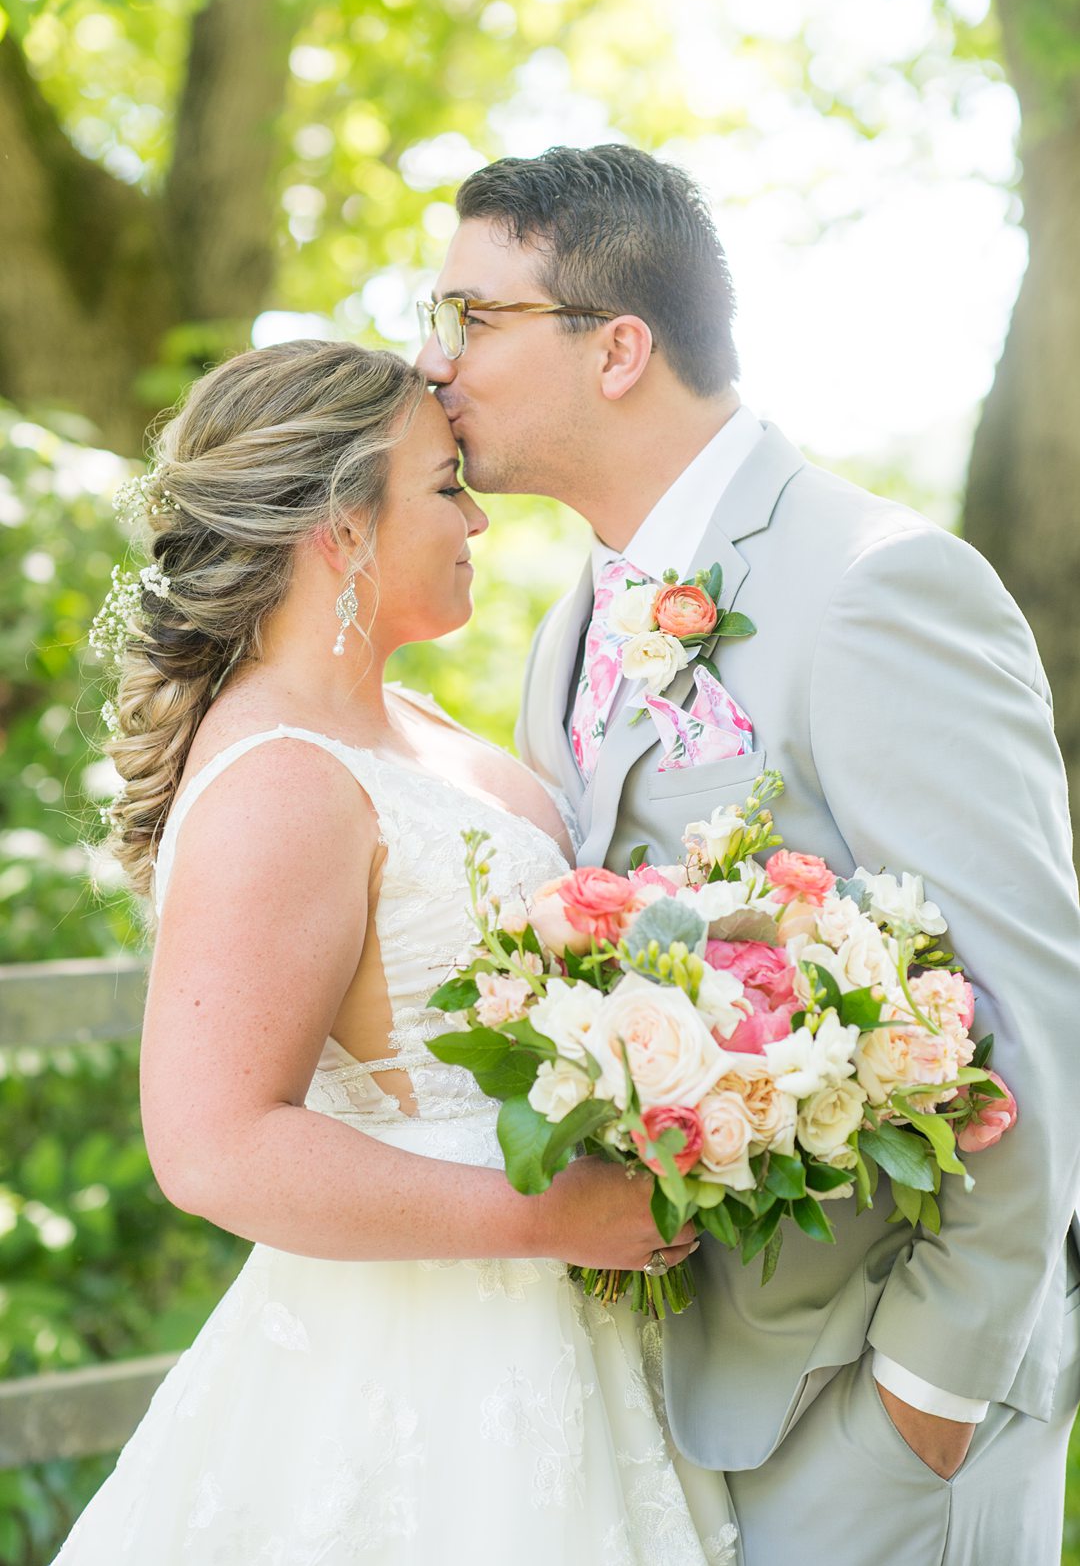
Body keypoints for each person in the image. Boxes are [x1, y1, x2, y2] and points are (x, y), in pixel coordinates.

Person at [416, 142, 1080, 1565]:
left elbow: (1039, 1012)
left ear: (619, 348)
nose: (433, 362)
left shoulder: (878, 585)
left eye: (472, 316)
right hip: (663, 1399)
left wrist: (934, 1390)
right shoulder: (567, 627)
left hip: (866, 1412)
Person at [52, 339, 739, 1563]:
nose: (476, 512)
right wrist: (548, 1222)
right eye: (442, 484)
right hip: (428, 1360)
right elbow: (213, 1148)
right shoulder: (280, 779)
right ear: (342, 529)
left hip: (561, 1330)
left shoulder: (406, 725)